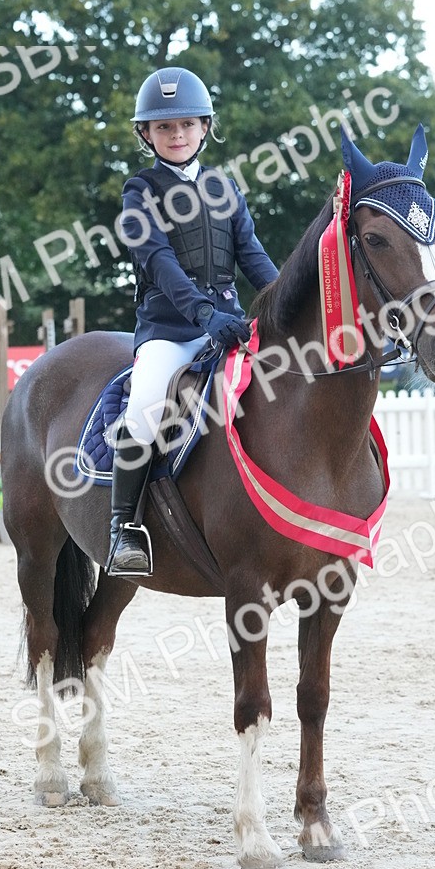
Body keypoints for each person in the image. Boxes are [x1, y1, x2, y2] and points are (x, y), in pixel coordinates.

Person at [106, 65, 279, 577]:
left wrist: (285, 303)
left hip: (229, 325)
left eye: (185, 125)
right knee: (145, 404)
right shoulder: (138, 191)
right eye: (164, 127)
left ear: (205, 126)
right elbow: (158, 262)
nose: (176, 135)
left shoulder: (226, 188)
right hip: (171, 331)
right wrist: (206, 315)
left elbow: (255, 259)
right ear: (146, 134)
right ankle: (123, 530)